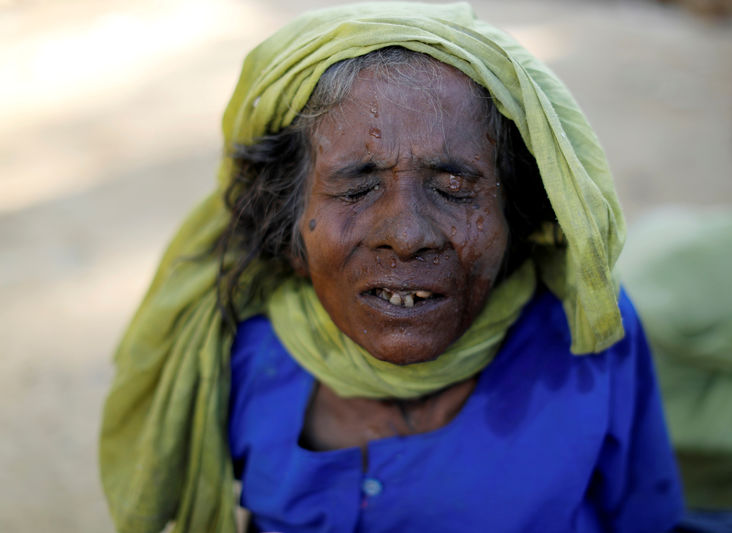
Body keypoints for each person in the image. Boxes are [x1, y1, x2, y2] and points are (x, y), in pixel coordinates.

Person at [99, 3, 684, 532]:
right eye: (356, 189)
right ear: (289, 228)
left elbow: (645, 515)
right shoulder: (232, 349)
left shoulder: (586, 342)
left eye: (455, 186)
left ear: (516, 213)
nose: (406, 237)